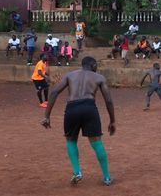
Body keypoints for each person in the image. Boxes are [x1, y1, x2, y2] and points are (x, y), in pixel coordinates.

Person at [41, 56, 116, 186]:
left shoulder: (70, 75)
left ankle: (77, 172)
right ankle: (107, 177)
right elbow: (108, 100)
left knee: (71, 140)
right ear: (93, 66)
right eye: (96, 65)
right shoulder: (99, 78)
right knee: (96, 141)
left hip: (72, 109)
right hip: (89, 108)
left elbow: (54, 92)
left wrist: (47, 116)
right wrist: (112, 120)